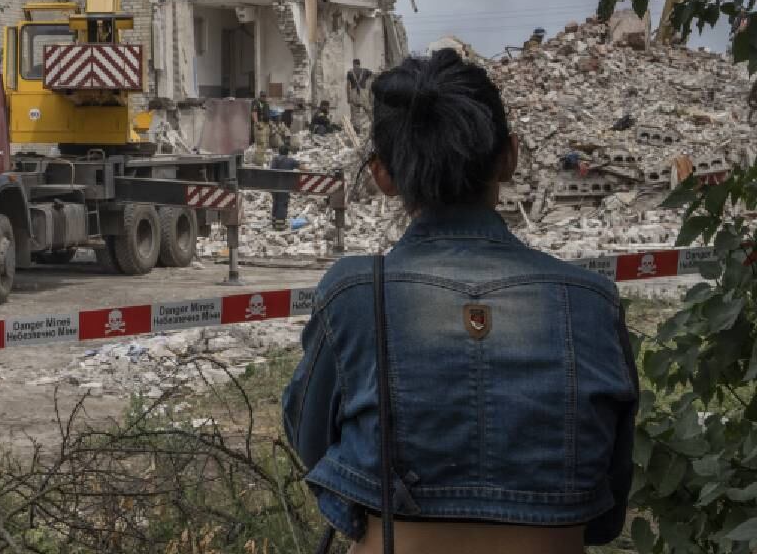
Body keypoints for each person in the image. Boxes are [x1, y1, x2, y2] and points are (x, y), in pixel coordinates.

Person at [283, 49, 637, 554]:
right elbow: (606, 507)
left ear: (381, 176)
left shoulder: (354, 295)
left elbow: (314, 443)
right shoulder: (592, 303)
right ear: (510, 157)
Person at [269, 144, 301, 228]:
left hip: (274, 186)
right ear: (287, 152)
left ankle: (274, 223)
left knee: (275, 203)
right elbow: (302, 167)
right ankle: (280, 225)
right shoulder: (290, 161)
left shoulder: (274, 160)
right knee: (282, 204)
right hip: (284, 186)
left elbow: (270, 172)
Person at [346, 59, 373, 136]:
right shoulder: (365, 71)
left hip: (354, 92)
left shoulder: (350, 72)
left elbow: (348, 86)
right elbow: (372, 77)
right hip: (363, 92)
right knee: (368, 110)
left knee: (354, 112)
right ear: (359, 64)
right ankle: (374, 125)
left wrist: (348, 97)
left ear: (353, 64)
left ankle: (357, 130)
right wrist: (370, 93)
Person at [251, 90, 271, 166]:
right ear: (260, 96)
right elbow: (254, 113)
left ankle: (263, 159)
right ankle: (259, 161)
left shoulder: (266, 103)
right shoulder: (256, 103)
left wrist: (269, 124)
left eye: (265, 96)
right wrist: (257, 123)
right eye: (263, 96)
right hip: (260, 124)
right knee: (260, 143)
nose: (264, 97)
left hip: (266, 125)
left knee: (265, 143)